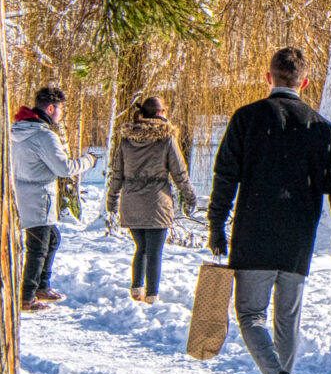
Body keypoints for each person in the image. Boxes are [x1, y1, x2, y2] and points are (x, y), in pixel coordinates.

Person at [207, 48, 331, 374]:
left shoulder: (246, 118)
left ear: (268, 78)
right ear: (304, 83)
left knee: (250, 315)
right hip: (298, 238)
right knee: (288, 322)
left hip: (253, 233)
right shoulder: (321, 127)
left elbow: (225, 177)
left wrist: (216, 224)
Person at [104, 95, 196, 304]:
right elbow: (179, 172)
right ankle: (152, 294)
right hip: (157, 202)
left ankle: (137, 290)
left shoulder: (127, 139)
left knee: (141, 248)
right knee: (154, 251)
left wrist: (112, 199)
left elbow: (117, 172)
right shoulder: (166, 138)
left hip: (131, 202)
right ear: (161, 113)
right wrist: (190, 196)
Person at [10, 84, 96, 307]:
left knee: (52, 239)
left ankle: (41, 286)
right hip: (39, 197)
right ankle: (28, 296)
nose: (62, 113)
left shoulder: (16, 130)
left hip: (23, 193)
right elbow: (64, 169)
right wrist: (88, 161)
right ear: (50, 109)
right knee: (38, 247)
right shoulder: (44, 136)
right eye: (61, 109)